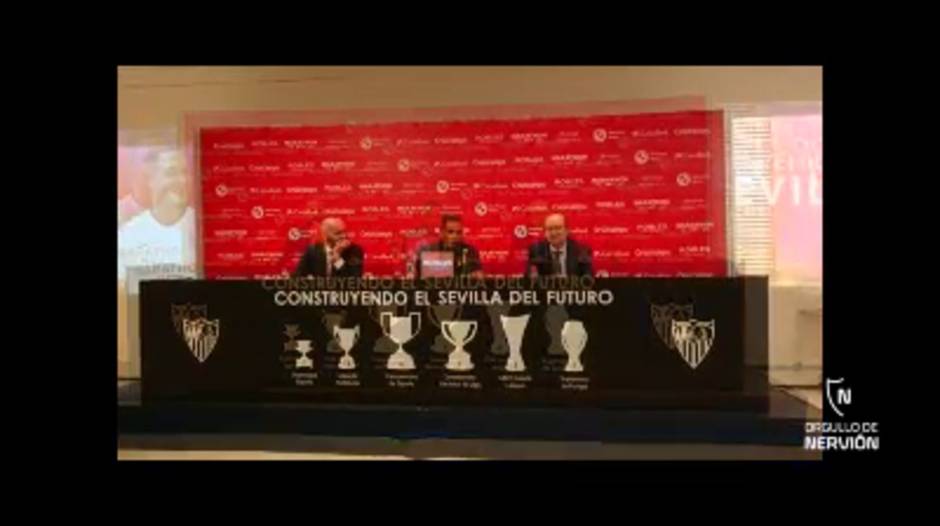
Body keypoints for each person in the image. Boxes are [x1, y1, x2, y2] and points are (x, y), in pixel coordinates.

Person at [117, 149, 195, 281]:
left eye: (185, 173)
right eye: (171, 173)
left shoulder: (202, 227)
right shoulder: (129, 235)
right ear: (150, 180)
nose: (182, 180)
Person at [525, 213, 593, 277]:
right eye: (549, 229)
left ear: (567, 230)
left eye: (558, 228)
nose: (554, 233)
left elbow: (588, 279)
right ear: (545, 233)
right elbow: (530, 280)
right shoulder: (536, 250)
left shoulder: (582, 250)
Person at [415, 214, 482, 278]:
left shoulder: (470, 252)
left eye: (459, 232)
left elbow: (476, 275)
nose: (455, 236)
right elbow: (421, 280)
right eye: (450, 232)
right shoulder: (430, 251)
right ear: (442, 233)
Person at [294, 217, 364, 277]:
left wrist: (337, 259)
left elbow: (354, 280)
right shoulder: (313, 250)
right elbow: (298, 276)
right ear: (325, 235)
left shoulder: (354, 250)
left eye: (344, 232)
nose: (343, 236)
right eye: (338, 233)